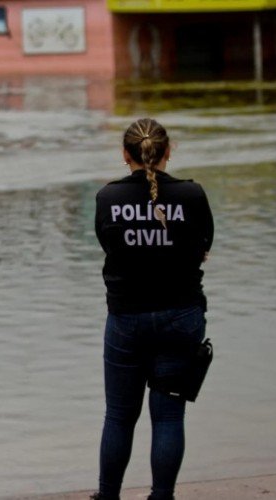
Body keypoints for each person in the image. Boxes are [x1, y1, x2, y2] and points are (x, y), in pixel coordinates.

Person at [91, 118, 214, 500]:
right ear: (168, 152)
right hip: (181, 317)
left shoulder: (108, 198)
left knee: (120, 416)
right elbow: (204, 247)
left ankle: (109, 496)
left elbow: (108, 246)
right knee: (169, 416)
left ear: (125, 154)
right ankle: (162, 496)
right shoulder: (192, 195)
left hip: (127, 318)